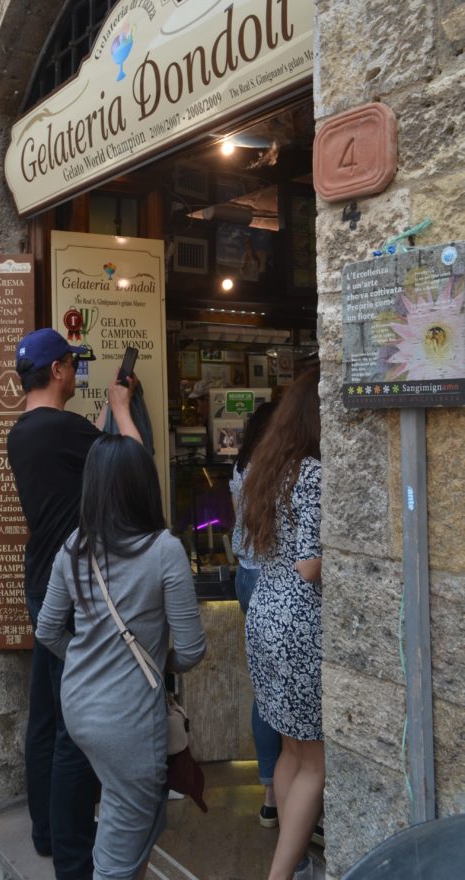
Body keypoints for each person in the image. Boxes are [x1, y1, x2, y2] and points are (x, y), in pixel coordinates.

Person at [36, 434, 206, 880]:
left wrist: (85, 658)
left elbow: (48, 629)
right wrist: (156, 661)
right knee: (117, 852)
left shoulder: (73, 546)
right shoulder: (164, 550)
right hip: (128, 720)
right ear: (144, 486)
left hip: (79, 707)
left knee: (140, 815)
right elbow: (191, 649)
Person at [7, 327, 142, 880]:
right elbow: (131, 463)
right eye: (72, 363)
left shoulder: (22, 432)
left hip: (42, 579)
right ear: (59, 370)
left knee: (45, 708)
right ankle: (71, 851)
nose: (75, 372)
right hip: (74, 588)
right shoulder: (64, 430)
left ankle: (44, 829)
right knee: (69, 723)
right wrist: (121, 406)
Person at [243, 368, 323, 880]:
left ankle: (286, 870)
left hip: (264, 616)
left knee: (293, 750)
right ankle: (281, 875)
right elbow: (310, 565)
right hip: (299, 626)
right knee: (316, 762)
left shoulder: (269, 467)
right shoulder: (312, 471)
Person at [230, 400, 282, 828]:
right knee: (280, 689)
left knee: (263, 687)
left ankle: (270, 792)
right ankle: (288, 789)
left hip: (245, 576)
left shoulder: (239, 467)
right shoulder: (281, 471)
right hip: (273, 579)